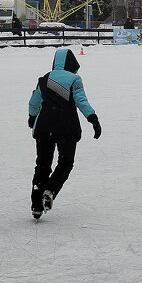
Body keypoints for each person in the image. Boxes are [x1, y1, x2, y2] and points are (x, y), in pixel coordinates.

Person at [26, 48, 102, 219]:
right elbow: (81, 101)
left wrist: (32, 118)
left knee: (42, 165)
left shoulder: (44, 79)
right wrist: (93, 119)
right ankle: (50, 190)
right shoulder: (74, 79)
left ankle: (36, 204)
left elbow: (33, 102)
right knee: (65, 162)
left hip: (44, 127)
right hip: (66, 128)